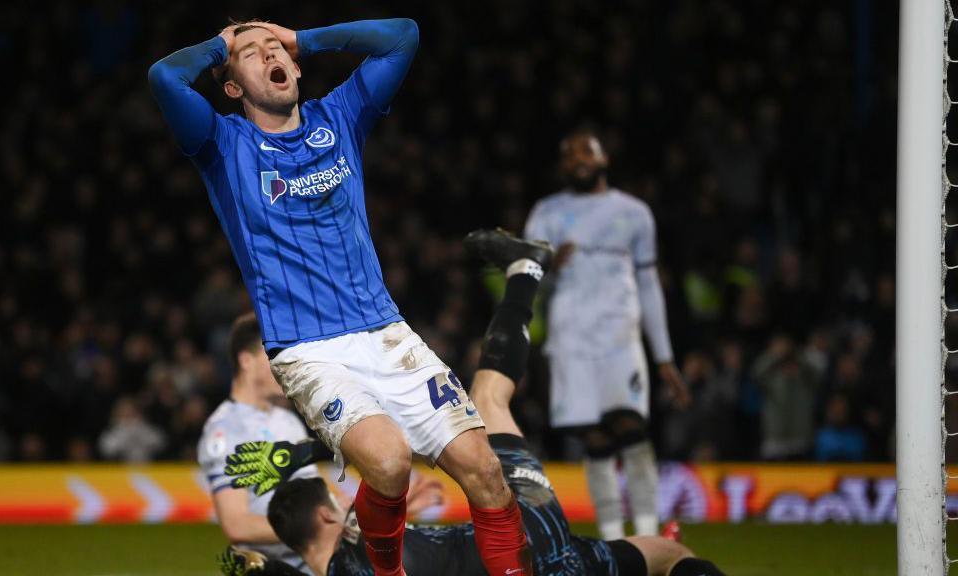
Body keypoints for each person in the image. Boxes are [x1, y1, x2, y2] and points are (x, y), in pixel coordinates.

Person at [148, 19, 530, 575]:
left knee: (485, 470)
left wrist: (304, 37)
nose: (267, 55)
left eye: (275, 49)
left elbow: (404, 35)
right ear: (232, 87)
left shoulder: (340, 116)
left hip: (385, 331)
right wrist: (221, 45)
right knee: (390, 462)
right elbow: (164, 77)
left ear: (296, 65)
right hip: (308, 350)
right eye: (250, 56)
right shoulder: (221, 143)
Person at [222, 229, 725, 576]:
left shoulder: (347, 553)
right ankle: (526, 271)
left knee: (660, 554)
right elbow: (380, 454)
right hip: (523, 526)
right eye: (337, 501)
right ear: (331, 517)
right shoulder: (359, 545)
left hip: (541, 547)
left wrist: (265, 565)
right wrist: (306, 459)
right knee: (490, 397)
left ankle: (526, 268)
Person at [523, 128, 690, 539]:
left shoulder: (634, 213)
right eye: (569, 153)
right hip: (571, 343)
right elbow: (526, 281)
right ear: (562, 166)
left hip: (620, 338)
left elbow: (649, 284)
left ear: (604, 159)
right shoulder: (545, 213)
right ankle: (614, 539)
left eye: (586, 151)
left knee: (631, 428)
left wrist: (664, 356)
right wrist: (548, 267)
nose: (578, 158)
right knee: (594, 440)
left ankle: (649, 535)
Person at [200, 314, 445, 574]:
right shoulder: (225, 430)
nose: (282, 363)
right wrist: (323, 525)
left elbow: (310, 498)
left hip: (323, 560)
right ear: (246, 361)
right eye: (271, 356)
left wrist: (352, 512)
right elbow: (238, 525)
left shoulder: (286, 419)